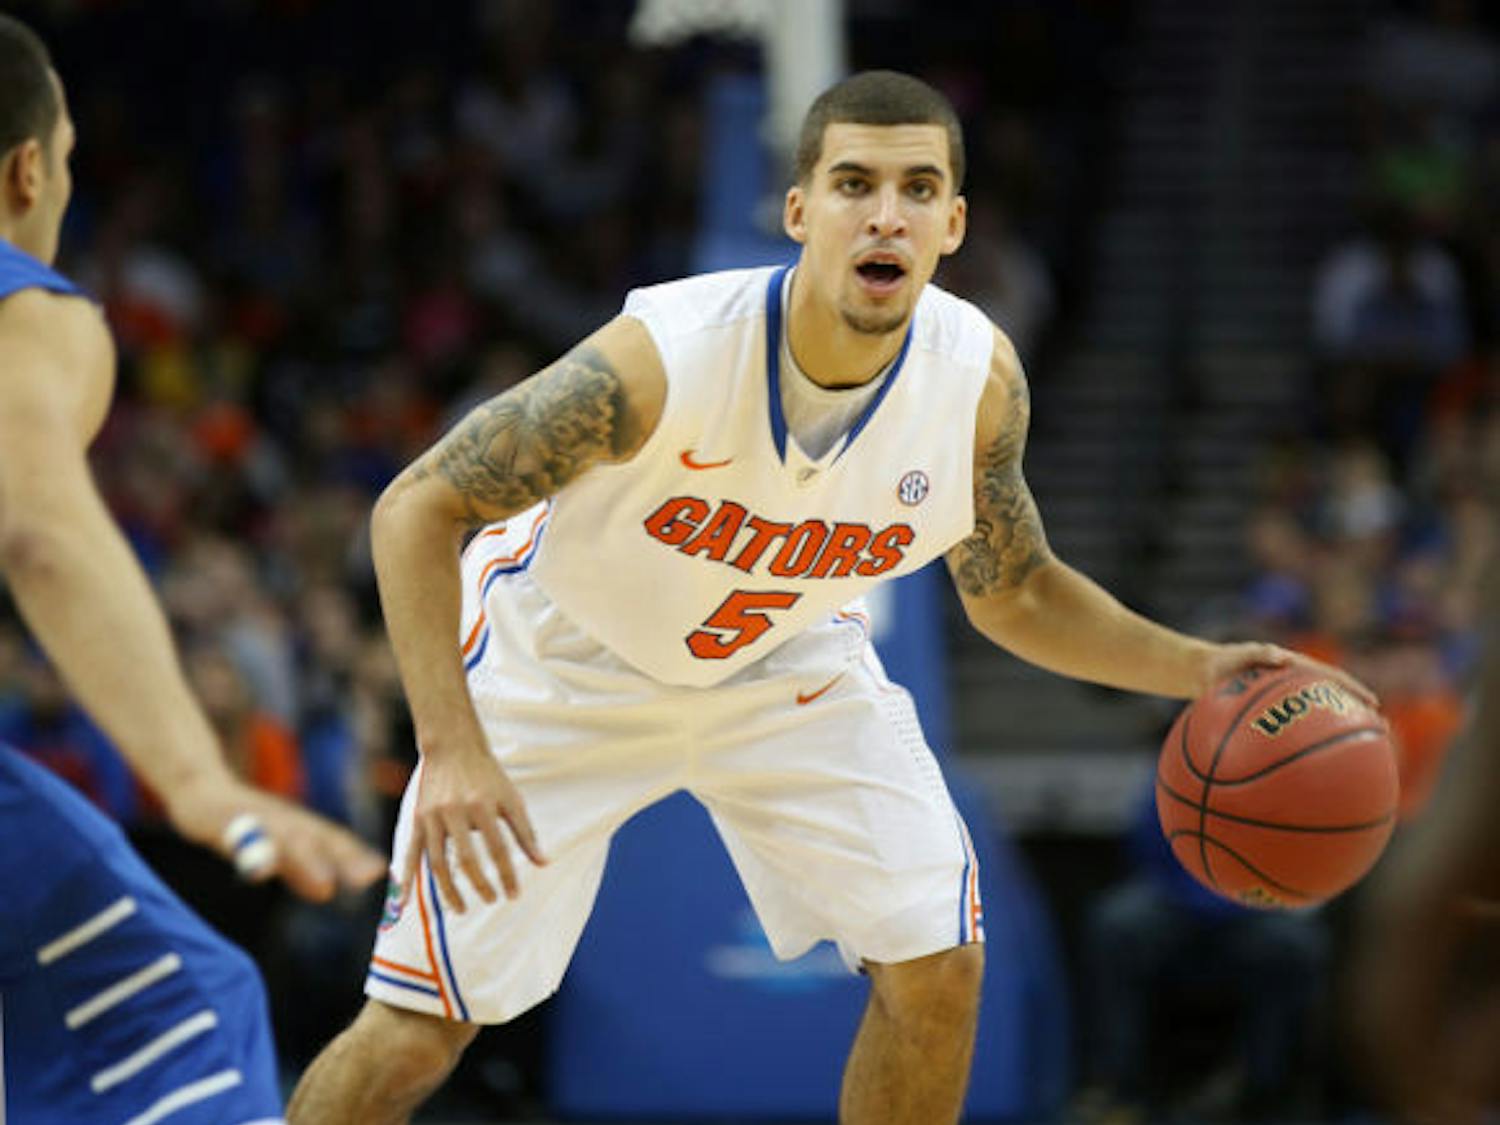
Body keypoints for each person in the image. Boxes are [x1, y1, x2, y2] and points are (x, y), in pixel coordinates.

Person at [288, 70, 1368, 1125]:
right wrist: (456, 745)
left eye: (916, 189)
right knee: (419, 1033)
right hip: (561, 663)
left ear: (954, 224)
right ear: (800, 211)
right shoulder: (663, 360)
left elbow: (1017, 592)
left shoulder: (975, 382)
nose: (884, 215)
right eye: (854, 184)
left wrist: (1198, 666)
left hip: (782, 662)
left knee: (938, 965)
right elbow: (416, 508)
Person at [0, 15, 384, 1124]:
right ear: (30, 170)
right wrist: (203, 783)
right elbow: (44, 534)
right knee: (184, 1013)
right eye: (68, 162)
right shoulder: (28, 306)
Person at [1351, 561, 1500, 1122]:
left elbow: (1432, 865)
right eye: (1390, 648)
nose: (1401, 660)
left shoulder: (1442, 716)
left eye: (1414, 647)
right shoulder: (1359, 716)